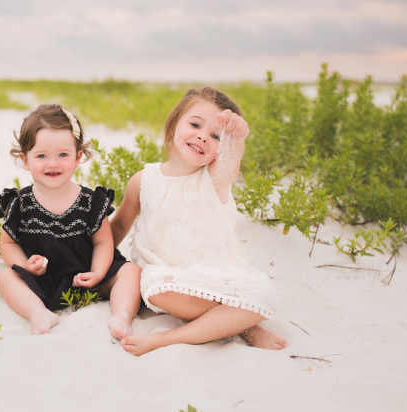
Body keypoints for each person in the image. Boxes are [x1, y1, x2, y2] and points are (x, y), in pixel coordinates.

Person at [110, 87, 288, 355]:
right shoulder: (144, 179)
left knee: (261, 294)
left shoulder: (215, 180)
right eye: (195, 124)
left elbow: (231, 161)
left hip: (213, 270)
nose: (203, 136)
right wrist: (94, 259)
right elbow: (119, 226)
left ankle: (170, 337)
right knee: (158, 290)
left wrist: (236, 139)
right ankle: (238, 323)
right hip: (164, 273)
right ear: (172, 128)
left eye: (216, 136)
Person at [0, 104, 141, 338]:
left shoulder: (90, 201)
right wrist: (25, 266)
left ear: (77, 157)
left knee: (131, 271)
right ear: (25, 159)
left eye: (63, 154)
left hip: (86, 277)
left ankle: (121, 315)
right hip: (44, 279)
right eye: (41, 156)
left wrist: (98, 272)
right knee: (4, 277)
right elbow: (8, 244)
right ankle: (37, 312)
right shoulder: (20, 203)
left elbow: (104, 242)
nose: (53, 163)